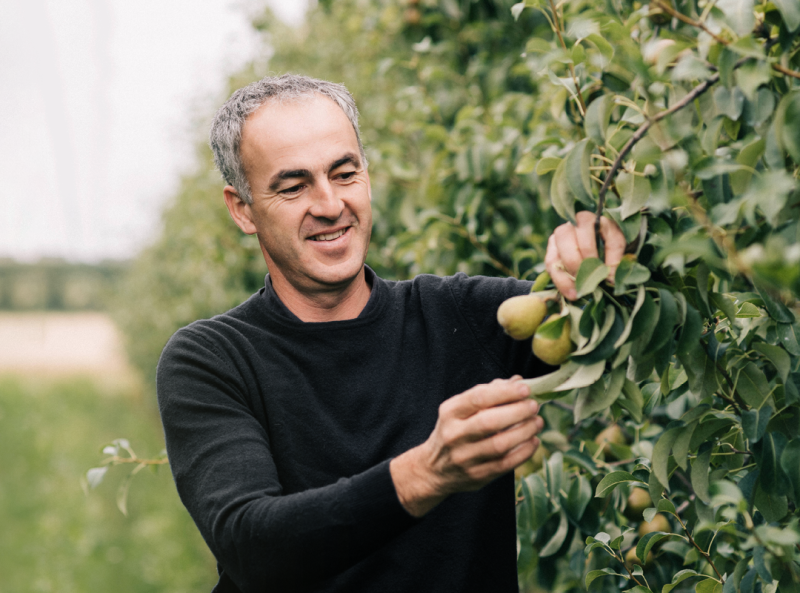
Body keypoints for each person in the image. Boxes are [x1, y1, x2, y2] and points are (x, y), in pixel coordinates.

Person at [156, 74, 625, 593]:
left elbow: (629, 319)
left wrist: (595, 257)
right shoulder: (212, 360)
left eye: (345, 173)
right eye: (293, 187)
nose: (330, 204)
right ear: (242, 208)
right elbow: (255, 546)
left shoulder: (465, 317)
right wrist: (428, 472)